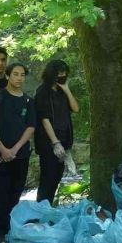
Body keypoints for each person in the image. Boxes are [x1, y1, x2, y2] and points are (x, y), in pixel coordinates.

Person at [0, 63, 36, 243]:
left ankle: (10, 227)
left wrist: (14, 150)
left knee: (16, 192)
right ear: (8, 76)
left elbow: (30, 127)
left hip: (20, 154)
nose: (19, 78)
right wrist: (3, 149)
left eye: (22, 75)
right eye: (15, 74)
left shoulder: (29, 101)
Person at [34, 59, 79, 204]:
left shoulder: (62, 91)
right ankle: (41, 212)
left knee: (56, 179)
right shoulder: (42, 91)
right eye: (59, 73)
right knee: (48, 179)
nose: (62, 76)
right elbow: (44, 118)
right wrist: (55, 142)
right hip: (49, 142)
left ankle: (48, 210)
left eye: (64, 73)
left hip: (64, 140)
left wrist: (66, 89)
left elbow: (76, 108)